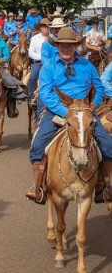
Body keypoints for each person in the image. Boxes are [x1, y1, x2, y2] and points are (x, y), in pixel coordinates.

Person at [27, 28, 112, 204]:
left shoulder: (87, 66)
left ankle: (102, 186)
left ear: (75, 46)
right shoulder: (49, 66)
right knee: (37, 145)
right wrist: (66, 112)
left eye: (69, 45)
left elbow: (99, 88)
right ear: (57, 46)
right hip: (58, 111)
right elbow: (46, 93)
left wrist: (94, 104)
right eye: (62, 45)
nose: (65, 48)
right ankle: (39, 187)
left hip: (85, 112)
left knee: (108, 144)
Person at [27, 19, 50, 105]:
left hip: (51, 63)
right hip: (38, 62)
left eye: (48, 26)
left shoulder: (53, 38)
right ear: (40, 28)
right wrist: (41, 58)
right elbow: (30, 52)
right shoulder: (35, 38)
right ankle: (31, 97)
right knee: (32, 77)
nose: (46, 28)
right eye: (44, 26)